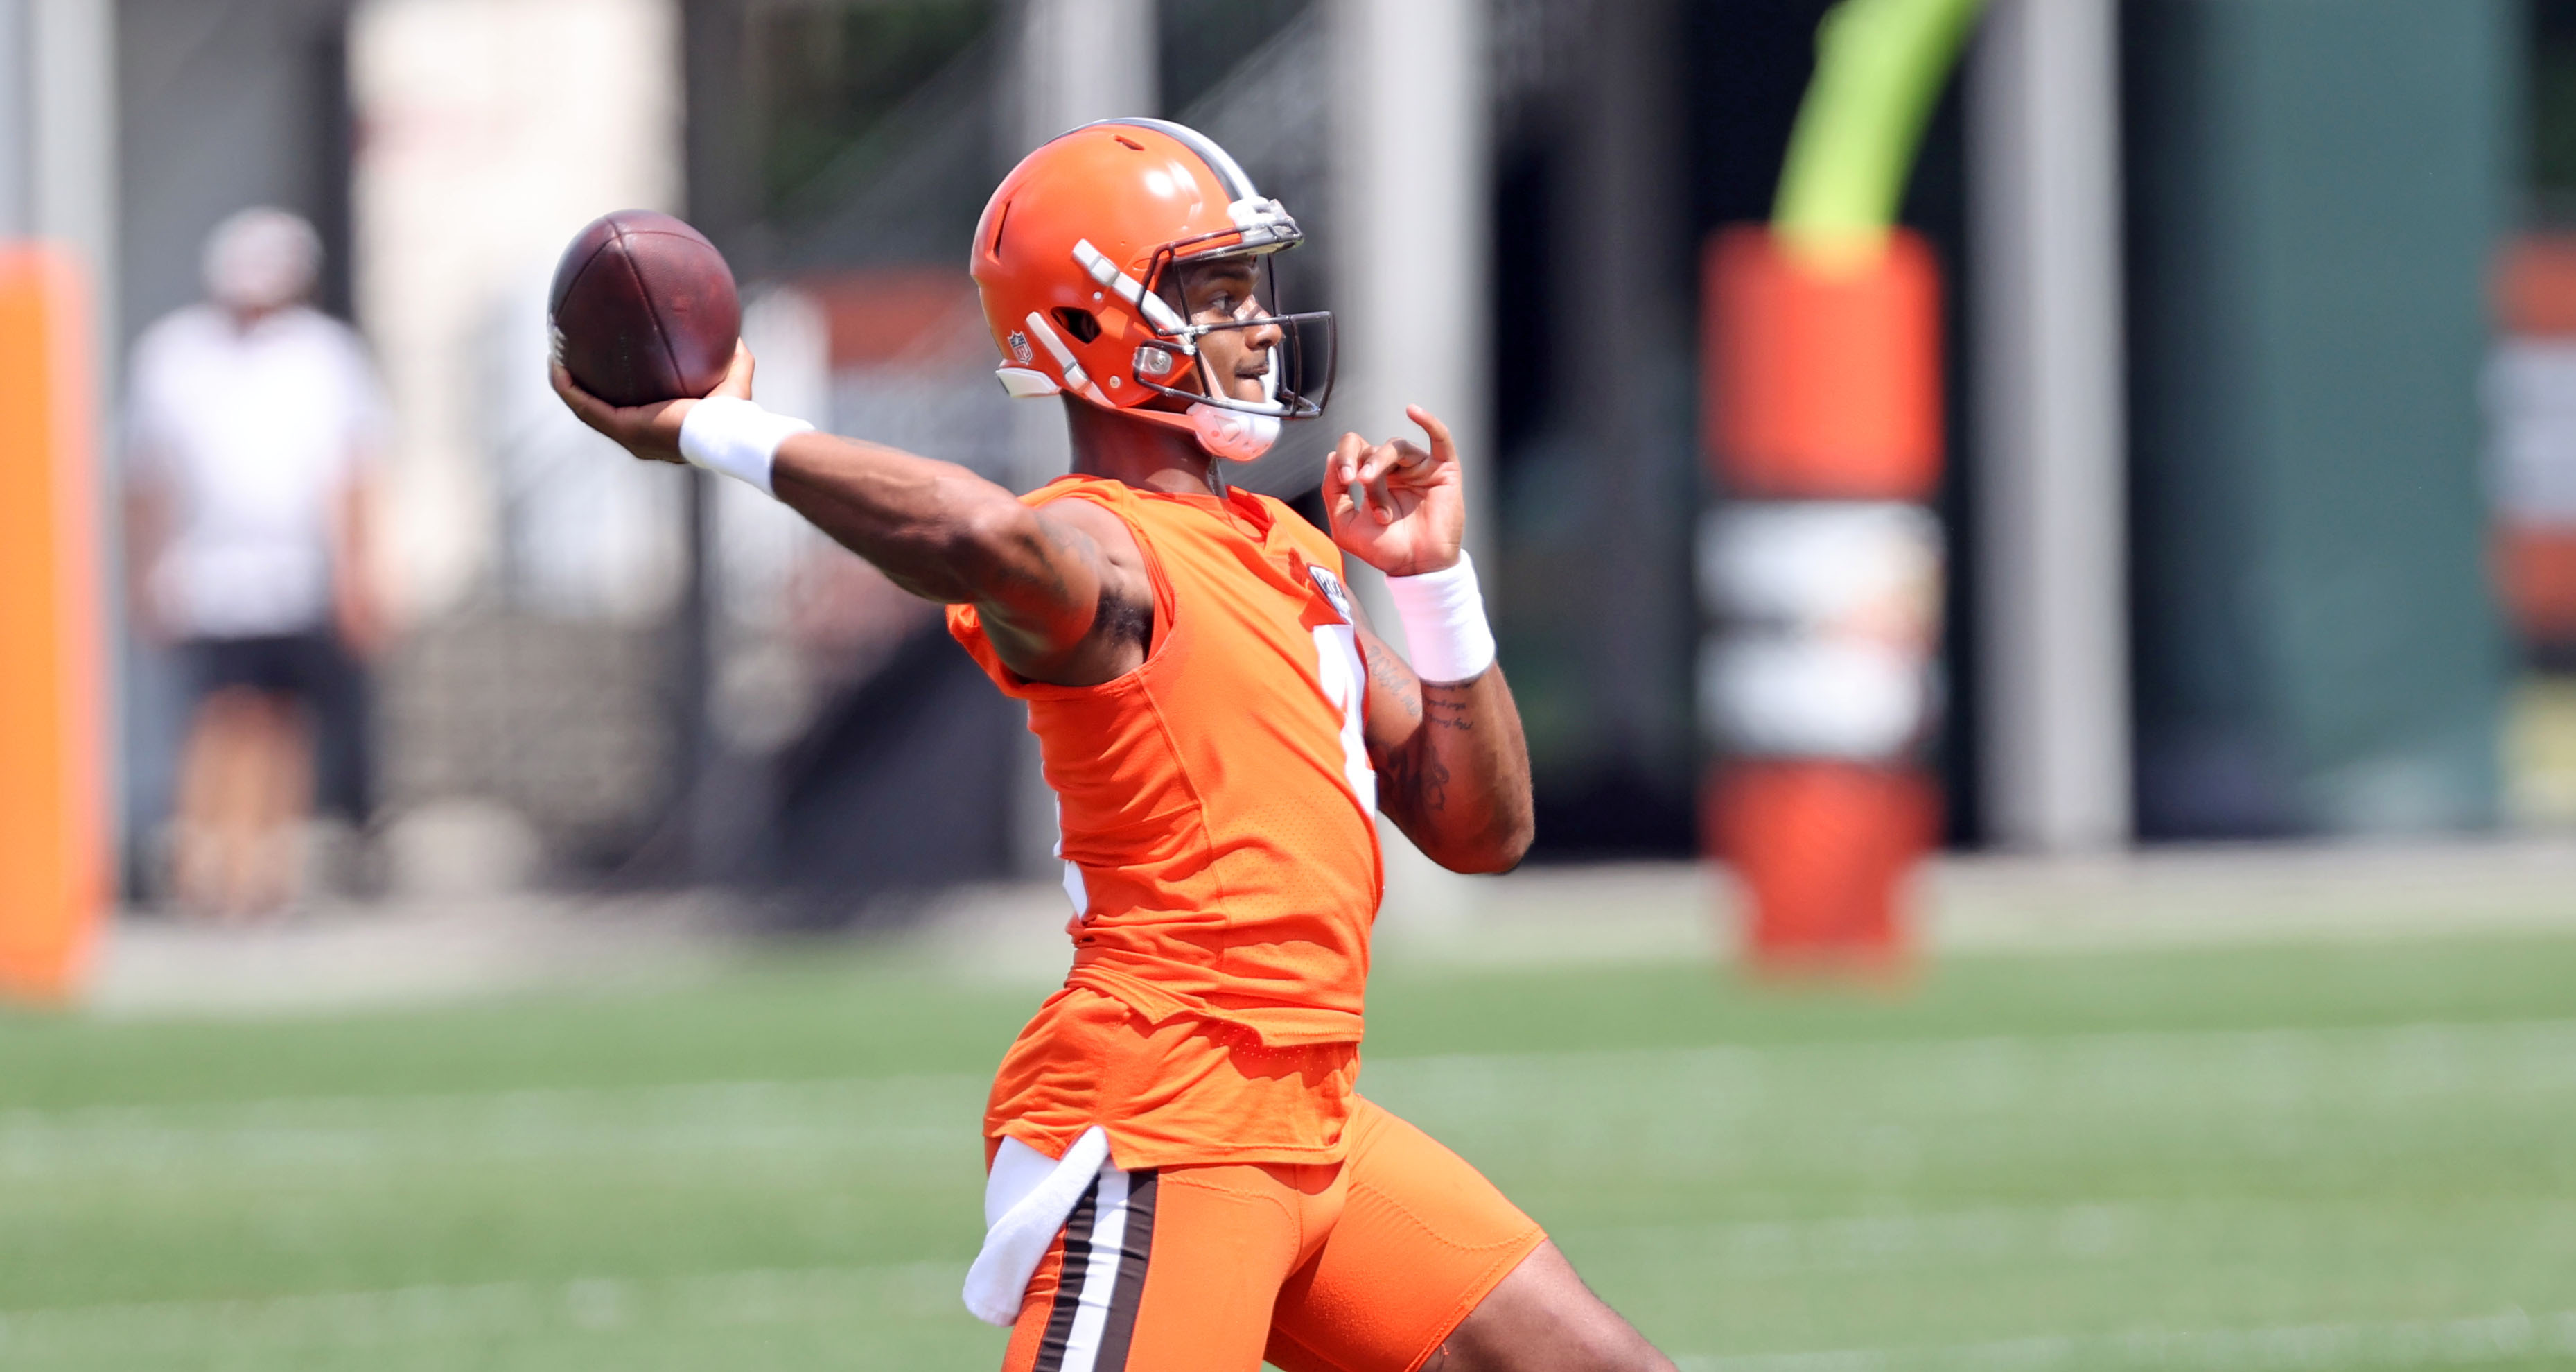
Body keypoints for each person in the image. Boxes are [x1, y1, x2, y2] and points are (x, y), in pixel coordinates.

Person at [555, 119, 1675, 1372]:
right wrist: (713, 430)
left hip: (1308, 1111)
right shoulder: (1094, 545)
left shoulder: (1282, 546)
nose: (1259, 325)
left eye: (1254, 288)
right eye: (1219, 292)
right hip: (1167, 1114)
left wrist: (1436, 586)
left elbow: (1483, 828)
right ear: (1091, 324)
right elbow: (977, 535)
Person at [126, 207, 387, 919]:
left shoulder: (325, 356)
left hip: (296, 570)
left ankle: (266, 872)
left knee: (283, 719)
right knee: (221, 716)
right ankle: (206, 869)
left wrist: (359, 573)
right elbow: (149, 477)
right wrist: (145, 570)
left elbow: (352, 473)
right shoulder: (176, 353)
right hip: (209, 572)